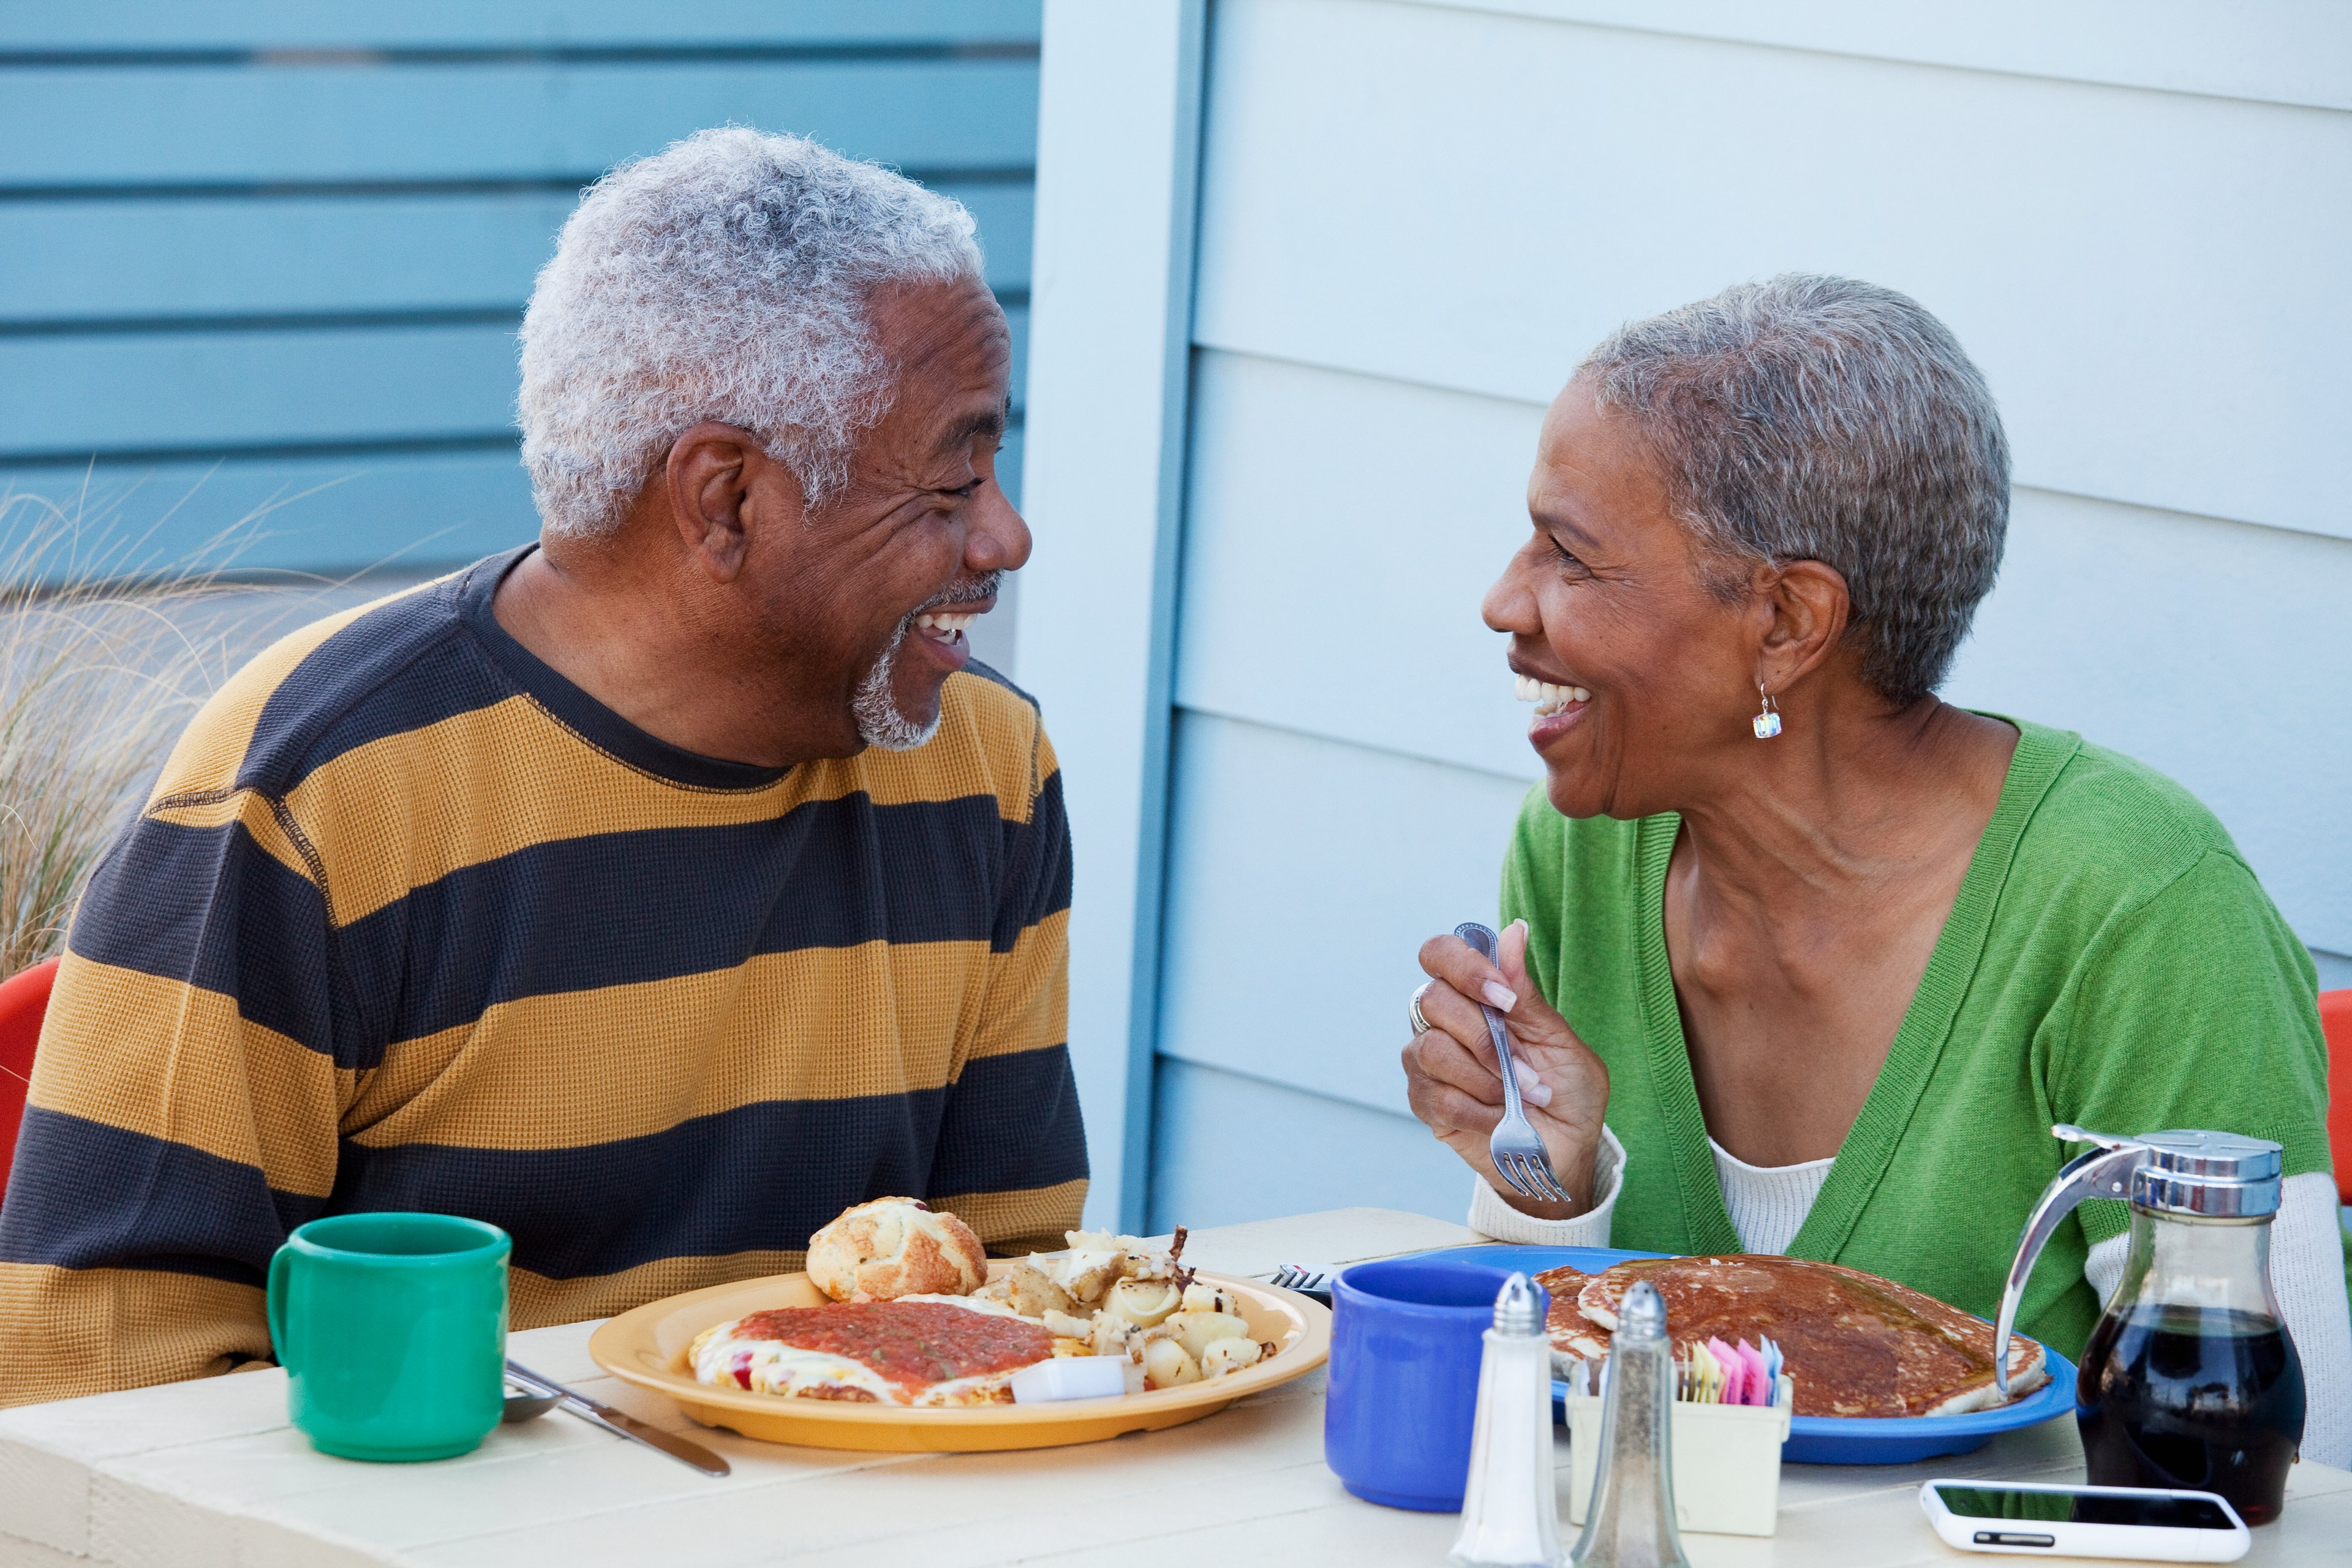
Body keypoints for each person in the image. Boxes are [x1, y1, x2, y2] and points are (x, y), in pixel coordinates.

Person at [0, 129, 1084, 1404]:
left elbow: (1022, 1302)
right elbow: (98, 1385)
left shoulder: (984, 767)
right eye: (954, 478)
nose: (1006, 534)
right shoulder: (316, 791)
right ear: (726, 498)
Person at [1401, 275, 2351, 1464]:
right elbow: (1557, 1427)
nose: (1504, 600)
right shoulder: (1580, 845)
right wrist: (1554, 1184)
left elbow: (2291, 1478)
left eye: (1571, 555)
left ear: (1789, 623)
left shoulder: (2137, 906)